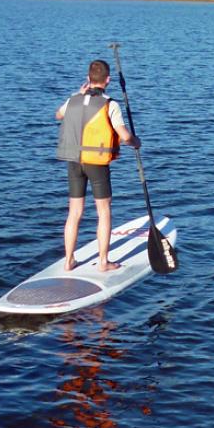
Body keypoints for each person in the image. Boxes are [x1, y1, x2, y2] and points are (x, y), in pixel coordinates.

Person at [55, 59, 140, 272]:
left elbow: (58, 115)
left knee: (74, 212)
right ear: (108, 80)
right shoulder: (110, 104)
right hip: (97, 163)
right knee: (103, 211)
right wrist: (135, 142)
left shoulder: (73, 99)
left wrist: (78, 93)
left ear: (88, 79)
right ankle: (103, 262)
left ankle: (68, 261)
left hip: (74, 161)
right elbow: (124, 136)